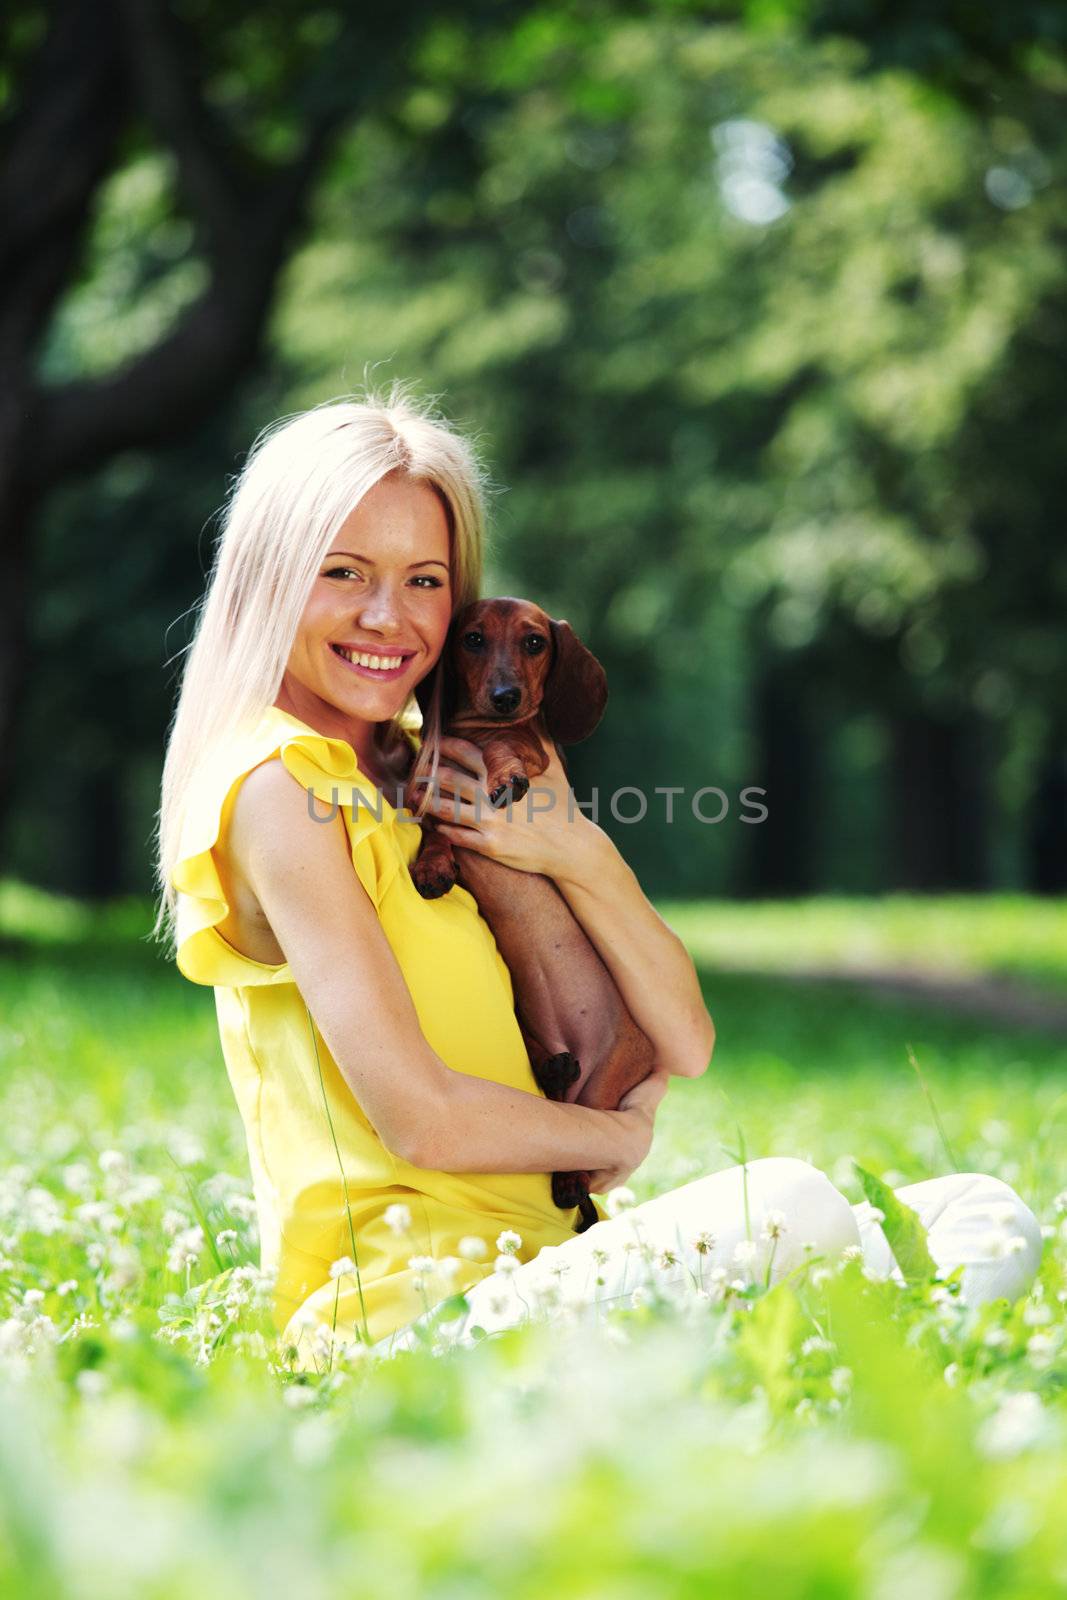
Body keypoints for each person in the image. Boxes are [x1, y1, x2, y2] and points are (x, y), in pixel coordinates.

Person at [154, 387, 1041, 1372]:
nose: (386, 616)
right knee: (789, 1202)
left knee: (980, 1212)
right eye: (343, 572)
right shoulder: (279, 786)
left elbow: (687, 1041)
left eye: (424, 580)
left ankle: (736, 1385)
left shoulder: (444, 766)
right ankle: (777, 1376)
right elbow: (422, 1117)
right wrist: (604, 1141)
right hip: (415, 1323)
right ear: (270, 579)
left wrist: (570, 847)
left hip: (556, 1267)